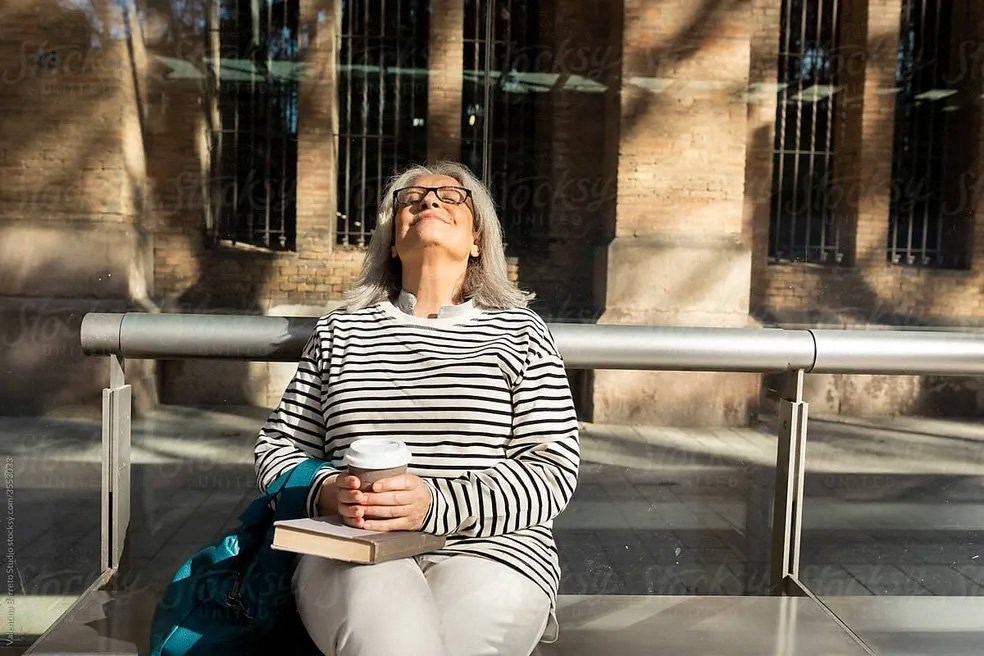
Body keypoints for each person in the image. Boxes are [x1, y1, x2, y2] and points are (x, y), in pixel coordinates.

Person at [254, 161, 580, 656]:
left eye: (452, 197)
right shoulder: (342, 331)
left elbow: (553, 469)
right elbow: (278, 446)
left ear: (478, 240)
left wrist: (434, 505)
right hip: (355, 551)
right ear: (390, 240)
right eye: (411, 198)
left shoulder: (522, 332)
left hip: (496, 551)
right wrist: (326, 491)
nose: (429, 202)